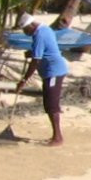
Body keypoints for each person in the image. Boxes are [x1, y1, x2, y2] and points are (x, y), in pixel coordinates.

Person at [20, 17, 70, 146]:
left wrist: (24, 80)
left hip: (54, 72)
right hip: (52, 71)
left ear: (31, 25)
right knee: (49, 103)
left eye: (26, 30)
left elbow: (36, 61)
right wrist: (31, 53)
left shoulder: (39, 35)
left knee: (51, 104)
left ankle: (58, 137)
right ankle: (56, 136)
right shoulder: (46, 29)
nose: (26, 33)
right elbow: (46, 50)